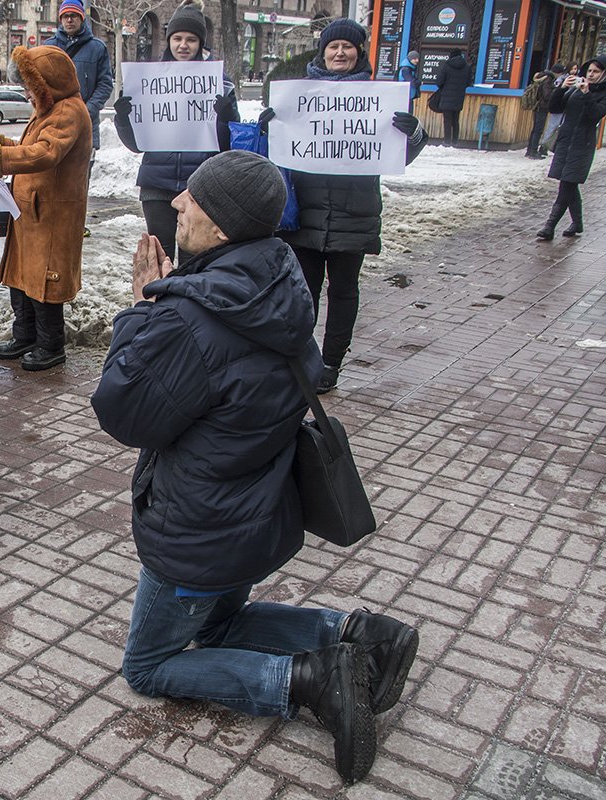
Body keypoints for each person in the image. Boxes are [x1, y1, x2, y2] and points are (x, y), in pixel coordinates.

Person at [90, 149, 419, 786]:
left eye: (191, 198)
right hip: (257, 513)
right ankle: (364, 635)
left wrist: (140, 313)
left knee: (147, 668)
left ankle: (310, 681)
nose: (177, 203)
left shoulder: (190, 320)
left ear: (222, 227)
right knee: (221, 625)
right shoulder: (280, 282)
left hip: (199, 529)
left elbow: (123, 413)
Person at [252, 19, 428, 393]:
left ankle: (331, 363)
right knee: (303, 293)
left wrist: (413, 134)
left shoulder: (377, 99)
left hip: (354, 214)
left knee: (344, 291)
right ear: (323, 52)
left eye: (347, 46)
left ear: (358, 52)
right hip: (305, 213)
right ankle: (303, 359)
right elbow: (274, 153)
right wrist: (268, 128)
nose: (340, 53)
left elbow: (397, 156)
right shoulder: (300, 96)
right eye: (333, 47)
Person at [0, 45, 91, 371]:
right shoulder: (49, 109)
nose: (27, 95)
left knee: (43, 282)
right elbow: (28, 147)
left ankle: (50, 345)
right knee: (22, 277)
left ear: (47, 84)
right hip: (31, 212)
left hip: (52, 216)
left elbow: (45, 153)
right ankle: (26, 336)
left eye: (30, 87)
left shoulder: (69, 111)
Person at [113, 1, 223, 263]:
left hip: (197, 189)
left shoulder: (217, 81)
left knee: (192, 258)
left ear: (201, 43)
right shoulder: (148, 81)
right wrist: (123, 118)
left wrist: (227, 115)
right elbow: (135, 145)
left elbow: (226, 142)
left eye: (191, 39)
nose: (183, 45)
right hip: (156, 186)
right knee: (160, 256)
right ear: (169, 40)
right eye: (177, 38)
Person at [536, 57, 606, 240]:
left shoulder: (601, 93)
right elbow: (555, 108)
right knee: (569, 183)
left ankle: (549, 226)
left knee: (567, 183)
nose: (591, 75)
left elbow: (594, 115)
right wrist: (562, 88)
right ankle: (577, 223)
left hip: (583, 144)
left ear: (604, 74)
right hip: (565, 141)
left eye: (596, 72)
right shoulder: (575, 88)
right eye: (589, 71)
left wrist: (587, 93)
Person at [44, 0, 113, 181]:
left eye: (74, 16)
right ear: (60, 19)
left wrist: (85, 111)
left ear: (82, 18)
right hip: (54, 125)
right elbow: (39, 83)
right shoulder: (48, 47)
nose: (69, 20)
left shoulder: (97, 48)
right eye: (65, 16)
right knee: (52, 181)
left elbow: (105, 84)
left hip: (85, 128)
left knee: (79, 184)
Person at [433, 49, 472, 144]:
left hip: (446, 97)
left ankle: (447, 141)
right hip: (459, 97)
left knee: (447, 120)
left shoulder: (447, 66)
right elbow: (468, 83)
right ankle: (455, 141)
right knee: (455, 120)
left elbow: (439, 82)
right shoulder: (467, 67)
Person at [524, 66, 557, 159]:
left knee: (535, 129)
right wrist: (555, 91)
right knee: (538, 130)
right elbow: (547, 95)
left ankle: (529, 151)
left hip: (536, 106)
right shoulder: (548, 80)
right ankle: (533, 152)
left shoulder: (541, 77)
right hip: (542, 107)